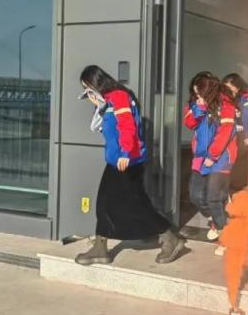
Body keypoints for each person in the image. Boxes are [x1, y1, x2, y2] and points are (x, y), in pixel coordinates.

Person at [75, 65, 185, 266]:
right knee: (104, 203)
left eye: (88, 86)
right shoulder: (107, 102)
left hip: (127, 161)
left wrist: (125, 152)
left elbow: (128, 126)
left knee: (136, 205)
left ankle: (170, 237)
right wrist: (99, 107)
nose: (88, 91)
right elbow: (109, 130)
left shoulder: (119, 96)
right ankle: (100, 248)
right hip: (115, 161)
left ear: (96, 82)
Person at [183, 72, 238, 253]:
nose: (197, 96)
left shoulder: (226, 104)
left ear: (210, 90)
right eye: (195, 93)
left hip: (221, 157)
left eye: (200, 93)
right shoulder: (196, 104)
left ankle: (226, 238)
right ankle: (217, 218)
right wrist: (199, 109)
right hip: (200, 156)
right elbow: (189, 123)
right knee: (195, 196)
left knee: (213, 198)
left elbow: (226, 132)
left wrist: (213, 156)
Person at [222, 73, 248, 192]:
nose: (227, 91)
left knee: (239, 173)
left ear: (237, 86)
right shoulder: (229, 100)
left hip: (242, 139)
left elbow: (246, 120)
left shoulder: (247, 99)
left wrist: (247, 137)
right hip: (232, 139)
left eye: (230, 88)